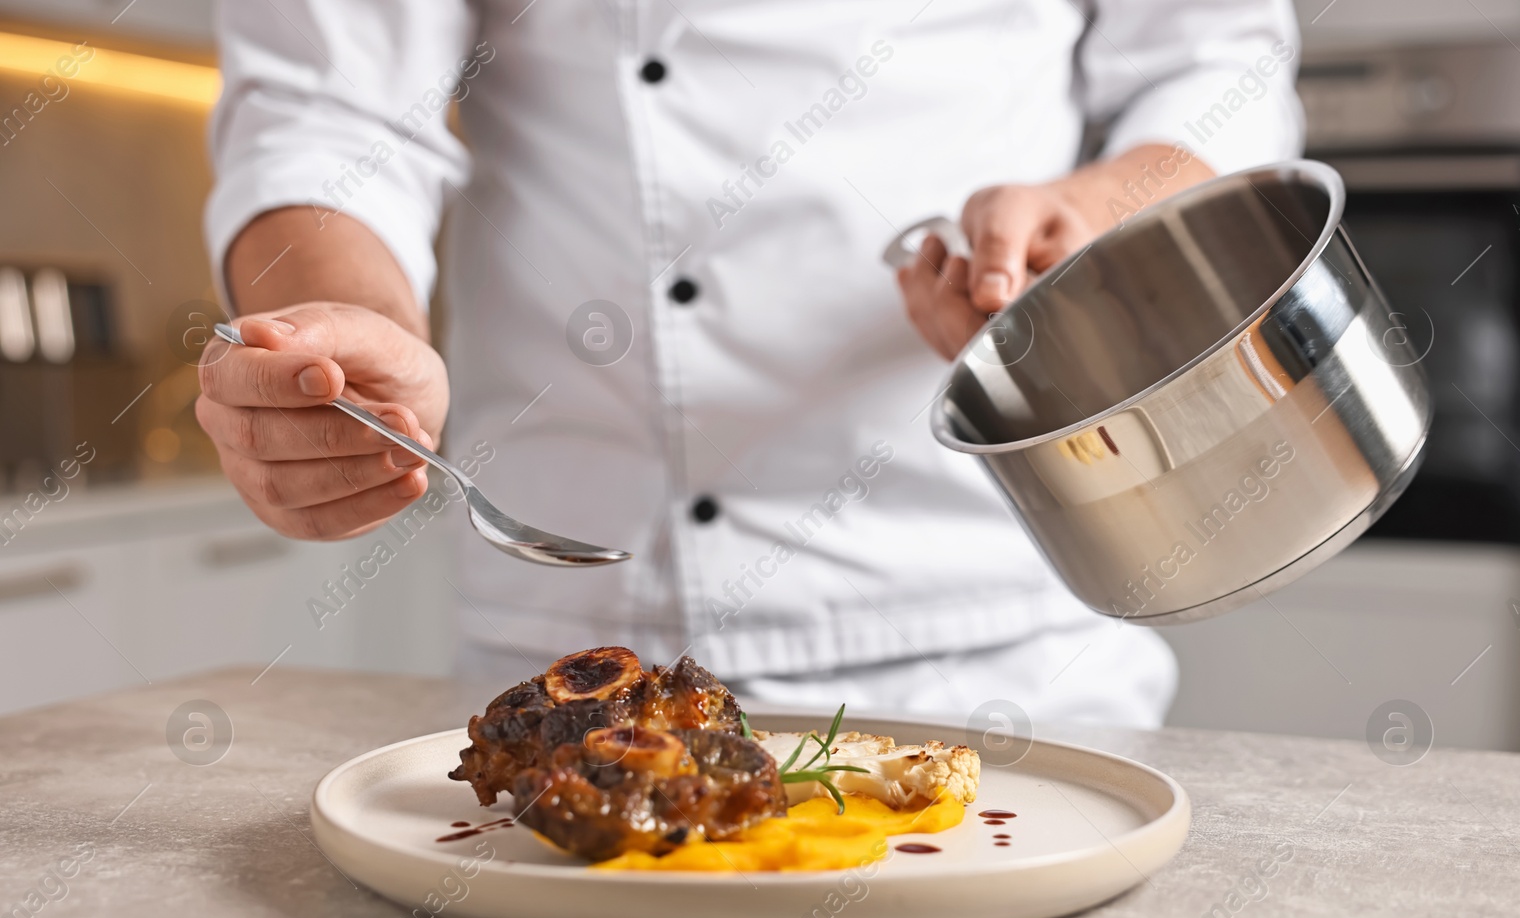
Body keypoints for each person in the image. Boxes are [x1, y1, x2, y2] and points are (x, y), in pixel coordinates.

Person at [197, 0, 1303, 735]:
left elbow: (1212, 62)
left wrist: (1091, 224)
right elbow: (325, 106)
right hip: (580, 639)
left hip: (995, 626)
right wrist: (346, 330)